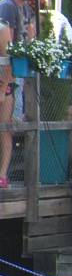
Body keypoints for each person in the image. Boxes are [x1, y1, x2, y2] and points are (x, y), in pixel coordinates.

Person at [0, 22, 12, 187]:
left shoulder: (2, 29)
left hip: (3, 86)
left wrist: (3, 90)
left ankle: (2, 175)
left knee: (4, 130)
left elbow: (9, 62)